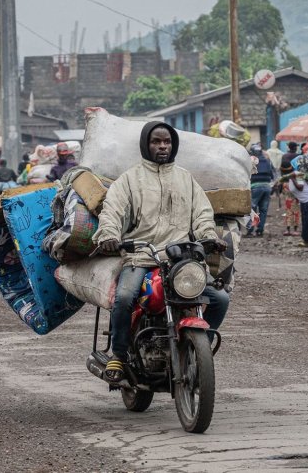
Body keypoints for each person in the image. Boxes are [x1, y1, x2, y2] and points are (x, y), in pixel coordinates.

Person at [92, 122, 228, 383]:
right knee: (124, 297)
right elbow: (112, 210)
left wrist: (208, 236)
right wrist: (109, 235)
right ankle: (118, 355)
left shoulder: (185, 178)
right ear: (146, 144)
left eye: (167, 142)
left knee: (219, 298)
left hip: (179, 260)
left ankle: (198, 352)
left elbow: (201, 213)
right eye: (157, 142)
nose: (163, 146)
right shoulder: (129, 180)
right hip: (141, 256)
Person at [246, 144, 274, 237]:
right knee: (263, 210)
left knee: (252, 209)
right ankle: (260, 231)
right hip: (267, 187)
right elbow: (272, 175)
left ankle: (250, 231)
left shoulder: (251, 161)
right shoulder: (267, 161)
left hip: (255, 187)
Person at [288, 170, 308, 248]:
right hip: (305, 200)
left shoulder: (298, 174)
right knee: (306, 220)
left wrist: (293, 179)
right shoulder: (290, 176)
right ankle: (306, 240)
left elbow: (300, 187)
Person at [279, 142, 300, 236]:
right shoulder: (299, 156)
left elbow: (281, 171)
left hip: (286, 184)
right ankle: (295, 229)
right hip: (296, 183)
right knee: (296, 207)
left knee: (288, 207)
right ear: (295, 148)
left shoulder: (284, 156)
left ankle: (288, 229)